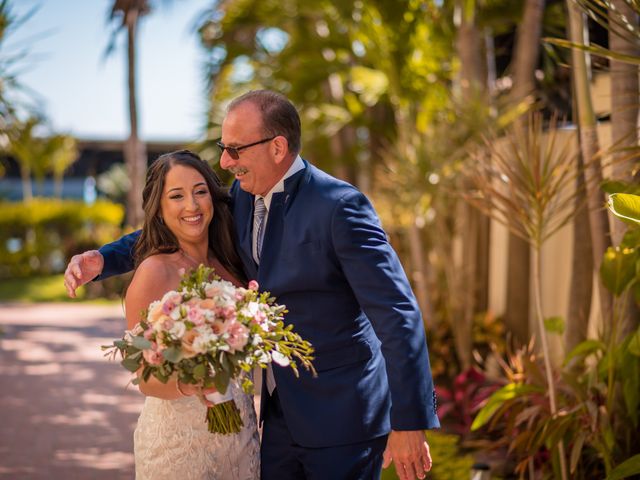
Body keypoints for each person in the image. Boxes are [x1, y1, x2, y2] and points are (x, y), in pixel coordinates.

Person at [64, 90, 440, 480]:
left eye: (236, 149)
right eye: (223, 149)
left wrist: (410, 420)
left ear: (277, 147)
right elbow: (179, 222)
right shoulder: (242, 199)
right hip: (276, 420)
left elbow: (397, 313)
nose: (226, 162)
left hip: (344, 419)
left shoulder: (340, 206)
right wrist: (105, 259)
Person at [115, 150, 260, 479]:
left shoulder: (232, 266)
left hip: (239, 437)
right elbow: (145, 379)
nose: (192, 206)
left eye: (199, 191)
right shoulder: (153, 272)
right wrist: (193, 384)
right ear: (160, 208)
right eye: (176, 196)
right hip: (179, 448)